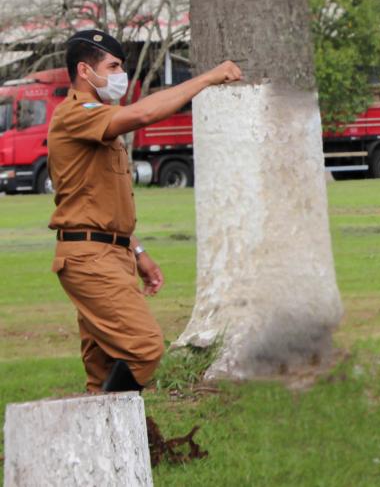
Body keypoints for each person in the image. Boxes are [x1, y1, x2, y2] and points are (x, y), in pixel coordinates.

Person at [48, 30, 242, 392]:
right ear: (85, 71)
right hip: (90, 259)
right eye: (114, 66)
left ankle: (104, 443)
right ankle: (111, 433)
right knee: (145, 348)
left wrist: (138, 253)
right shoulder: (76, 114)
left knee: (103, 368)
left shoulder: (97, 118)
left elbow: (99, 202)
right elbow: (142, 114)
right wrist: (206, 78)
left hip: (111, 251)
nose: (120, 74)